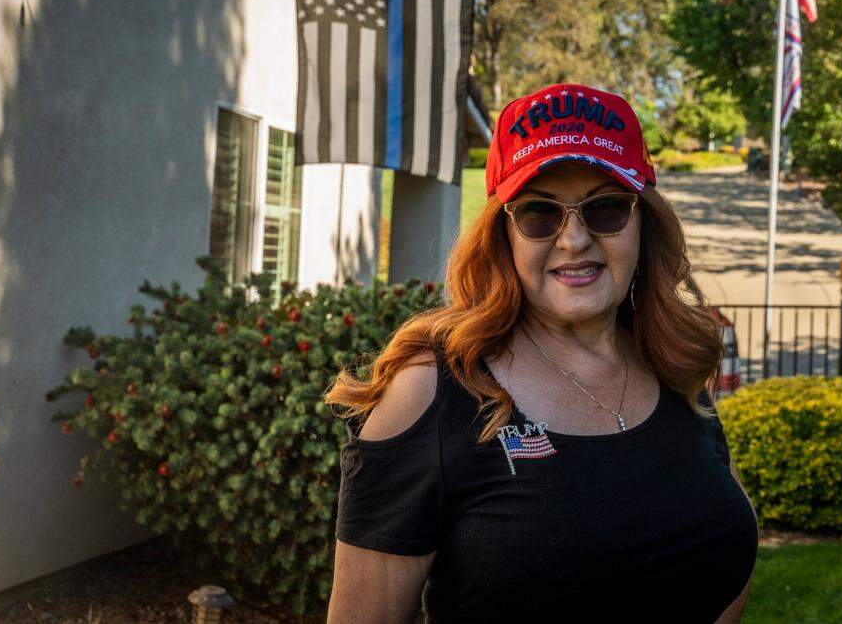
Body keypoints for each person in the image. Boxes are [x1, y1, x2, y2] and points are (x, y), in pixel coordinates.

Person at [325, 83, 759, 624]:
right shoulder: (433, 390)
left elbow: (725, 548)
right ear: (502, 236)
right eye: (538, 213)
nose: (574, 239)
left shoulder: (675, 363)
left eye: (604, 208)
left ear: (644, 221)